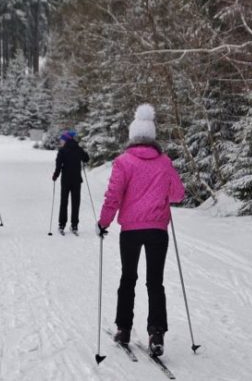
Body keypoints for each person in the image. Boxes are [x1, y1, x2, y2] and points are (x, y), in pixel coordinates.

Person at [96, 104, 185, 356]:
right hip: (158, 230)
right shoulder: (165, 162)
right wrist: (163, 191)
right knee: (155, 282)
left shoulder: (123, 162)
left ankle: (123, 328)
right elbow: (178, 194)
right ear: (153, 136)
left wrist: (103, 222)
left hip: (131, 231)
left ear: (133, 136)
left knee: (128, 278)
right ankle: (156, 334)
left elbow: (113, 196)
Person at [52, 130, 90, 235]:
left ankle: (62, 225)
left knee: (64, 202)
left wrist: (55, 176)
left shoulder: (62, 151)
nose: (61, 141)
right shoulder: (78, 149)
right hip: (77, 180)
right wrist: (83, 154)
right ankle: (74, 225)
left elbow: (58, 165)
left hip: (66, 181)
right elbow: (86, 159)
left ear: (66, 140)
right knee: (75, 203)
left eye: (62, 139)